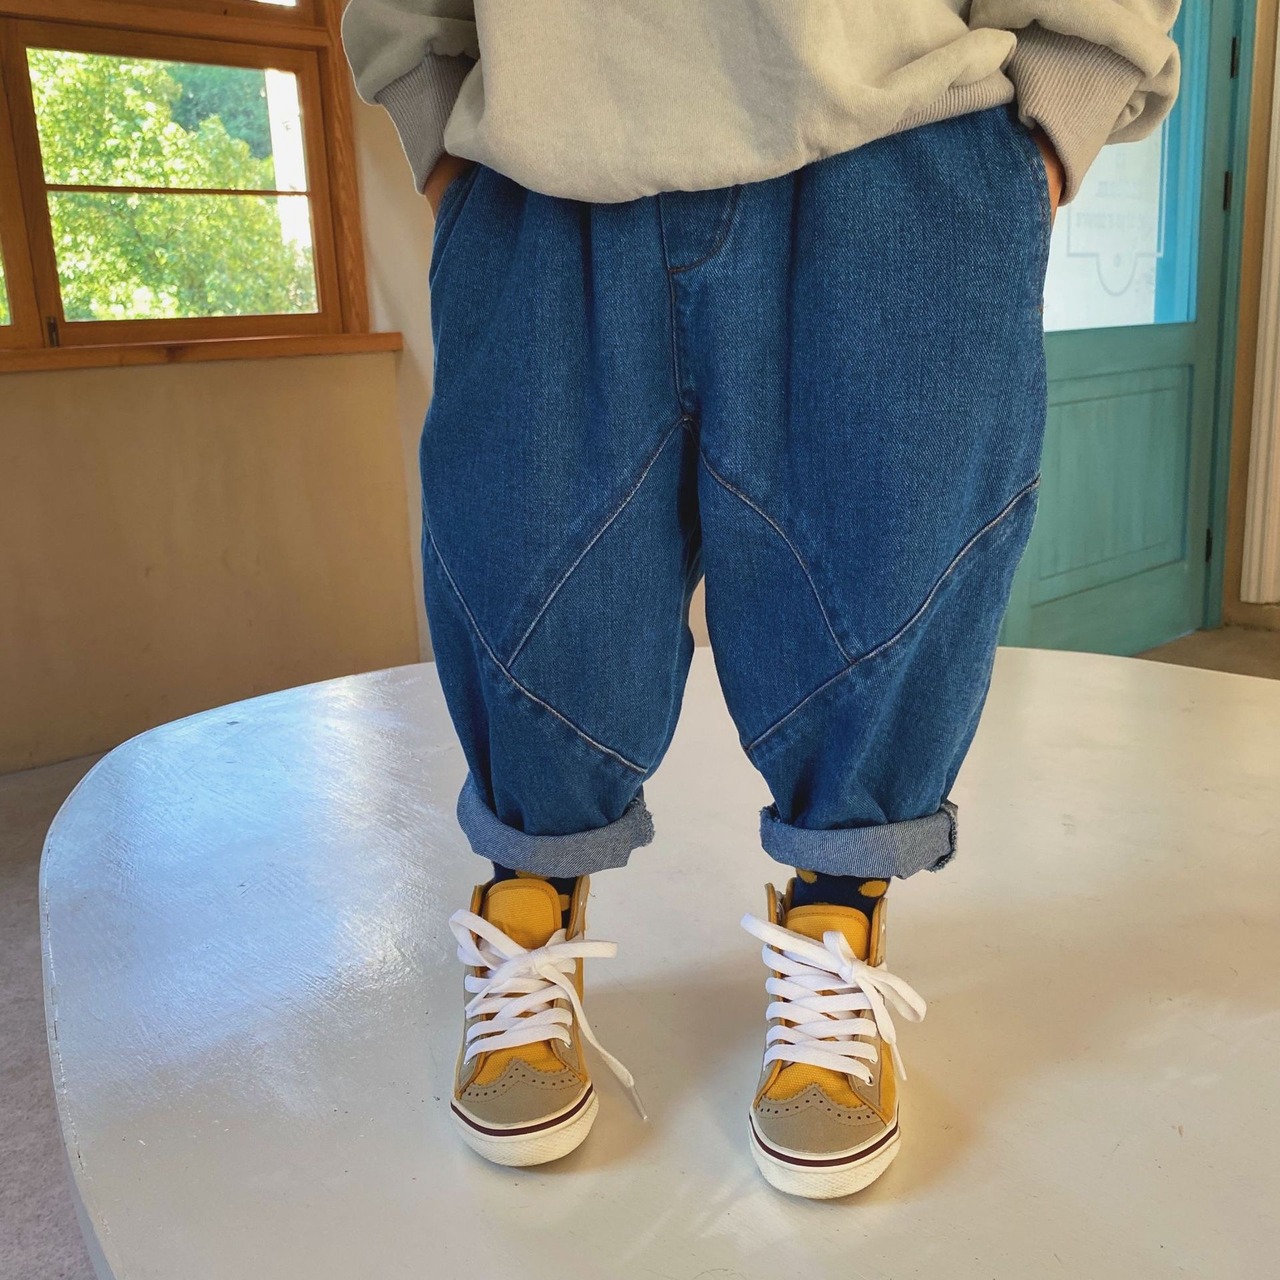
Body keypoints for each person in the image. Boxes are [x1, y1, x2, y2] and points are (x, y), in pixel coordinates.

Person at [341, 0, 1180, 1198]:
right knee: (522, 576)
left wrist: (1053, 113)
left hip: (898, 148)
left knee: (883, 586)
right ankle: (528, 900)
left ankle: (837, 914)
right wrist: (437, 119)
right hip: (546, 145)